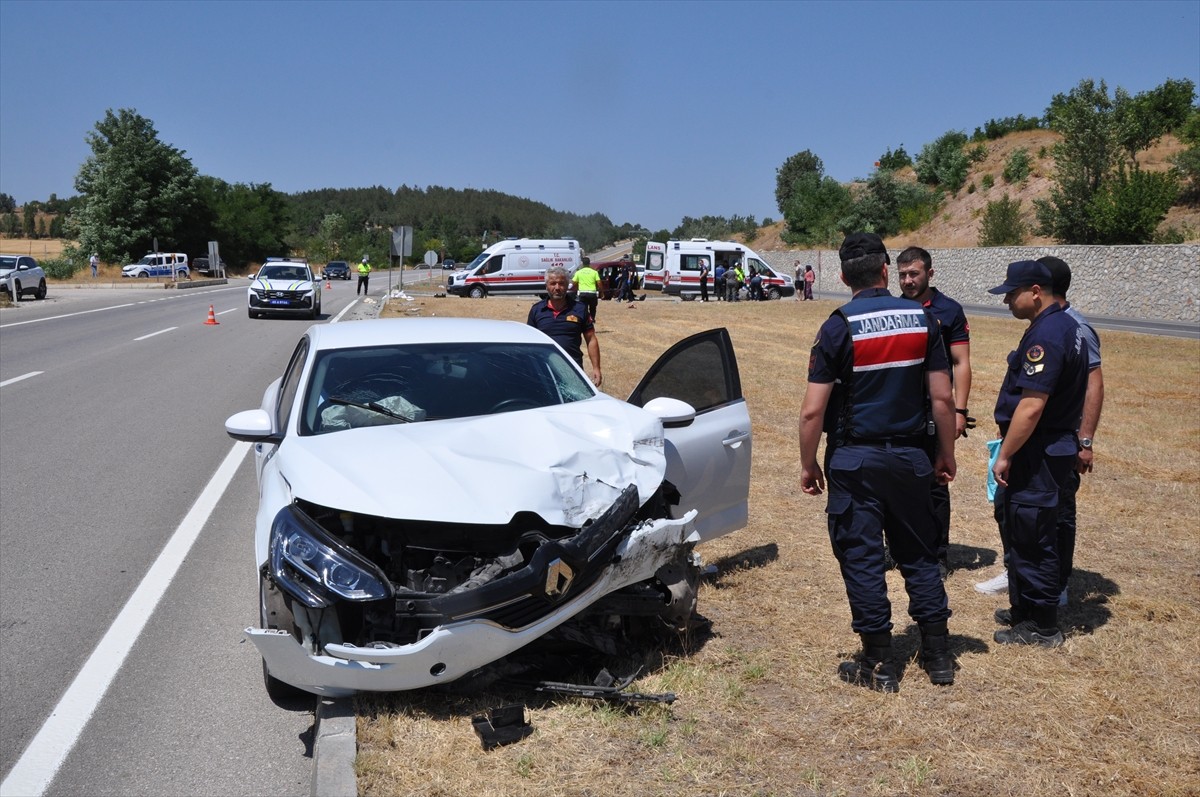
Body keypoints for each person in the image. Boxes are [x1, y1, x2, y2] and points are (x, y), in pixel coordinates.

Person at [799, 232, 957, 692]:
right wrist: (945, 453)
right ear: (887, 270)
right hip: (912, 457)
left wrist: (808, 464)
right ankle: (939, 655)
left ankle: (879, 665)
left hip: (854, 460)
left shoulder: (837, 326)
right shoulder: (924, 321)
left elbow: (812, 410)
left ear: (845, 276)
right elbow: (942, 398)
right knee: (920, 556)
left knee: (864, 561)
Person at [981, 256, 1105, 608]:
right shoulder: (1057, 327)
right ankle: (1026, 603)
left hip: (1042, 449)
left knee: (1040, 530)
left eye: (1011, 293)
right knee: (1023, 525)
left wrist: (1005, 453)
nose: (1006, 301)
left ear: (1036, 292)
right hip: (1040, 446)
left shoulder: (1054, 332)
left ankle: (1041, 616)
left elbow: (1033, 405)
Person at [896, 246, 973, 577]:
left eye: (914, 273)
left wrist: (959, 410)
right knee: (897, 482)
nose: (908, 280)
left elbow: (961, 362)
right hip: (899, 410)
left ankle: (939, 553)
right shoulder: (893, 308)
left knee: (936, 483)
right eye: (902, 275)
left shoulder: (949, 310)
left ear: (930, 273)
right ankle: (900, 547)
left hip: (934, 410)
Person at [528, 265, 602, 386]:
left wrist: (596, 368)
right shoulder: (537, 310)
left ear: (567, 285)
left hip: (573, 370)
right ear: (546, 286)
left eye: (561, 283)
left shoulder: (580, 309)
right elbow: (529, 343)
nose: (557, 288)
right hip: (544, 372)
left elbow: (591, 339)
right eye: (553, 283)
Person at [571, 256, 601, 321]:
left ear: (582, 263)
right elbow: (599, 282)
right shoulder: (594, 272)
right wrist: (602, 291)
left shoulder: (578, 272)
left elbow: (573, 283)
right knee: (593, 307)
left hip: (582, 293)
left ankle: (584, 319)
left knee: (583, 307)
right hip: (592, 293)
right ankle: (592, 318)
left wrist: (575, 288)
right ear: (589, 263)